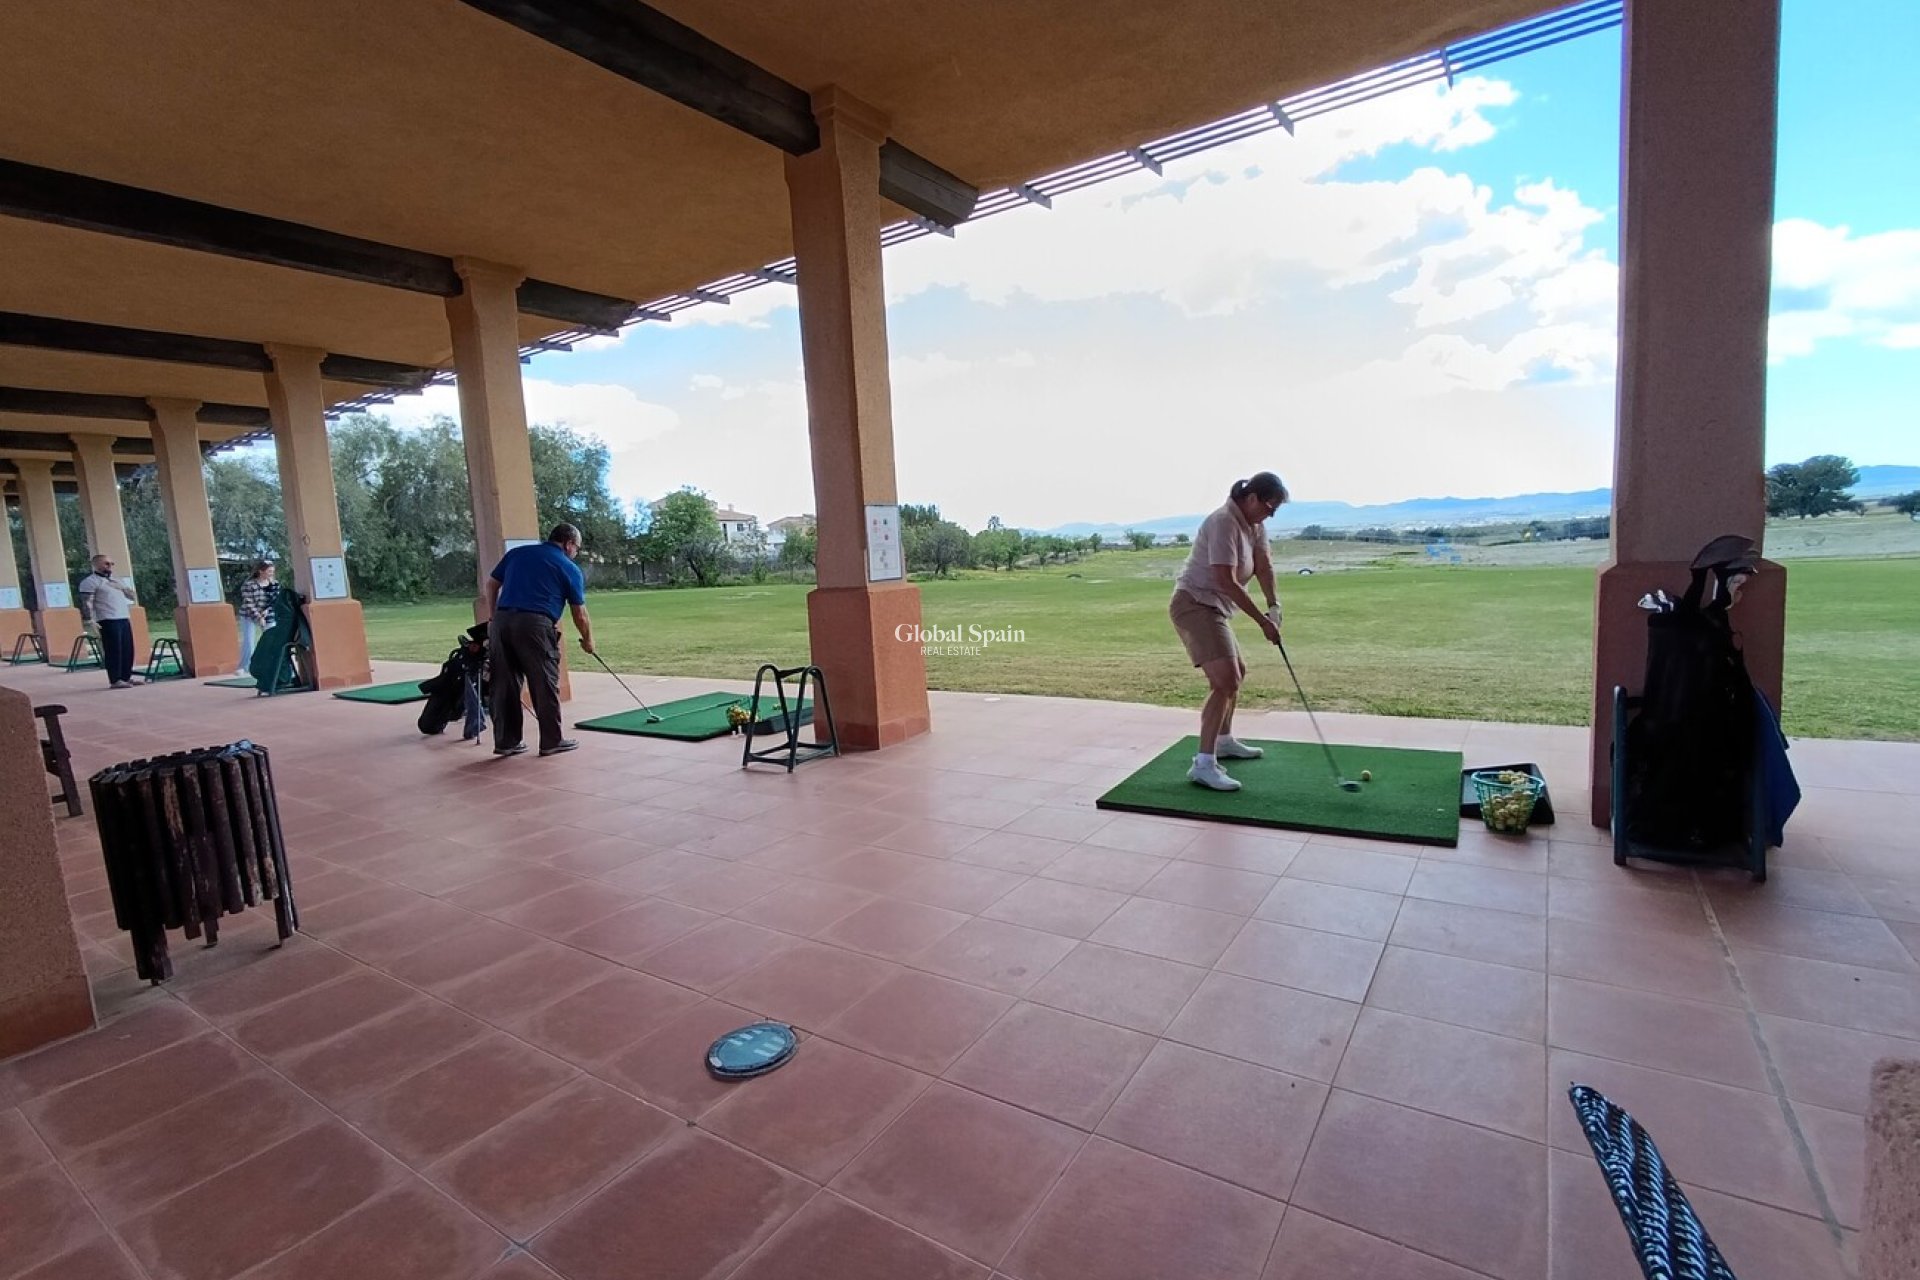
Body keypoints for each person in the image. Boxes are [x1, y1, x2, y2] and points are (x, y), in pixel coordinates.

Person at [1169, 472, 1289, 790]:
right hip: (1194, 604)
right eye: (1268, 506)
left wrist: (1274, 607)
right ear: (1250, 498)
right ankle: (1203, 764)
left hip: (1215, 608)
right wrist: (1262, 622)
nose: (1270, 514)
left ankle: (1223, 741)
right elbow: (1225, 581)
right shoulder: (1223, 522)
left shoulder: (1255, 526)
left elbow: (1264, 566)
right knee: (1225, 680)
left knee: (1237, 673)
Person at [483, 523, 596, 758]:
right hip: (535, 625)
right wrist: (588, 640)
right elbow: (580, 613)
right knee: (543, 682)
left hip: (502, 623)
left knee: (504, 684)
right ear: (568, 544)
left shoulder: (517, 554)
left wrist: (493, 616)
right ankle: (551, 741)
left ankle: (506, 742)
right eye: (577, 547)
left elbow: (492, 584)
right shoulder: (568, 566)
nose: (576, 552)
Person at [76, 554, 139, 689]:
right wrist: (89, 620)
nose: (110, 566)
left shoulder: (117, 580)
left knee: (127, 649)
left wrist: (122, 587)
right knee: (114, 649)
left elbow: (133, 597)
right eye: (106, 564)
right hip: (107, 619)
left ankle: (126, 677)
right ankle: (115, 679)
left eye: (111, 563)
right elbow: (87, 602)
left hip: (122, 617)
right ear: (96, 565)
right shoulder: (90, 582)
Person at [237, 561, 276, 668]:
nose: (271, 573)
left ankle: (272, 664)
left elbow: (274, 599)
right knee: (249, 641)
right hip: (248, 615)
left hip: (268, 615)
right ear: (261, 571)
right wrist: (258, 617)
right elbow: (248, 603)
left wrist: (266, 610)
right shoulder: (249, 585)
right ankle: (245, 667)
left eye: (272, 571)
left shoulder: (274, 584)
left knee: (272, 639)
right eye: (269, 571)